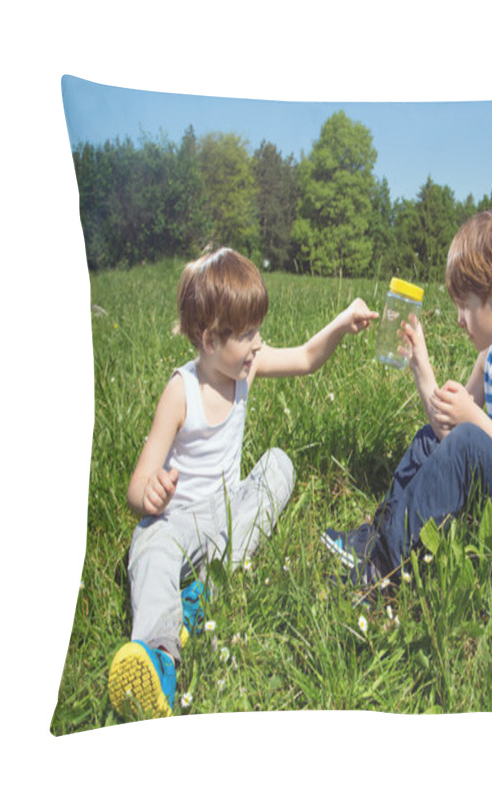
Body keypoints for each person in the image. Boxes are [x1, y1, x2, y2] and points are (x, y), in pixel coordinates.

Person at [108, 247, 377, 717]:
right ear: (210, 339)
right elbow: (136, 487)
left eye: (258, 331)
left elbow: (306, 359)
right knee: (147, 546)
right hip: (178, 525)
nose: (258, 343)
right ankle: (158, 658)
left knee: (279, 464)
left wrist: (342, 321)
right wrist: (148, 494)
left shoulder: (245, 368)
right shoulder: (181, 392)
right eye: (248, 333)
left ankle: (200, 592)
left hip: (230, 512)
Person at [323, 210, 492, 584]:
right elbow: (447, 426)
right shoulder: (491, 354)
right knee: (431, 440)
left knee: (464, 441)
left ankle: (383, 568)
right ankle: (381, 535)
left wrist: (473, 418)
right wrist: (420, 364)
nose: (459, 319)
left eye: (465, 306)